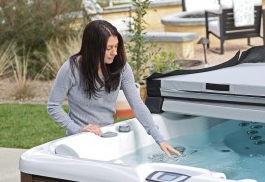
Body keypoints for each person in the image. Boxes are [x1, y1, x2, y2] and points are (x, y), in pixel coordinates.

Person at [47, 20, 181, 158]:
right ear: (93, 48)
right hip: (80, 140)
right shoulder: (71, 69)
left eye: (116, 46)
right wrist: (77, 129)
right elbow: (53, 105)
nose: (115, 52)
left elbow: (137, 104)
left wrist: (160, 139)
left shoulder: (121, 68)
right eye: (108, 48)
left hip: (107, 136)